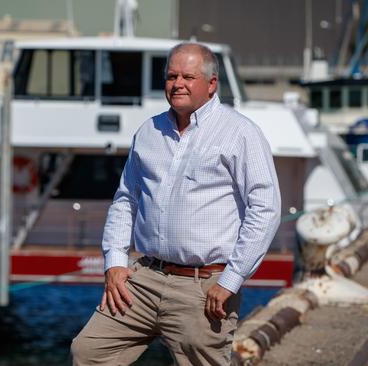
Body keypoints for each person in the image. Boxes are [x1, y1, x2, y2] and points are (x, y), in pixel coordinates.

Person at [71, 42, 281, 365]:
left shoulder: (241, 133)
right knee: (89, 352)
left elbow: (265, 209)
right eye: (171, 76)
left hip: (203, 286)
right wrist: (114, 261)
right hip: (143, 278)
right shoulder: (149, 132)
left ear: (211, 84)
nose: (177, 84)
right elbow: (126, 200)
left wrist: (232, 278)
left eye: (188, 76)